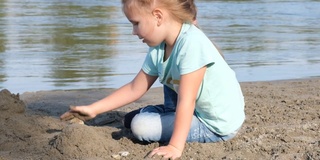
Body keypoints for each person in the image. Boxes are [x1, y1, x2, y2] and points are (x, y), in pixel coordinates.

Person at [60, 0, 245, 159]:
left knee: (140, 127)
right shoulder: (159, 47)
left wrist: (175, 146)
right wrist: (93, 109)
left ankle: (162, 119)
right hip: (192, 107)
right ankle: (162, 115)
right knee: (130, 120)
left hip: (214, 125)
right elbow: (135, 88)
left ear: (157, 16)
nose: (133, 32)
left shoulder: (192, 44)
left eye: (136, 23)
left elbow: (186, 101)